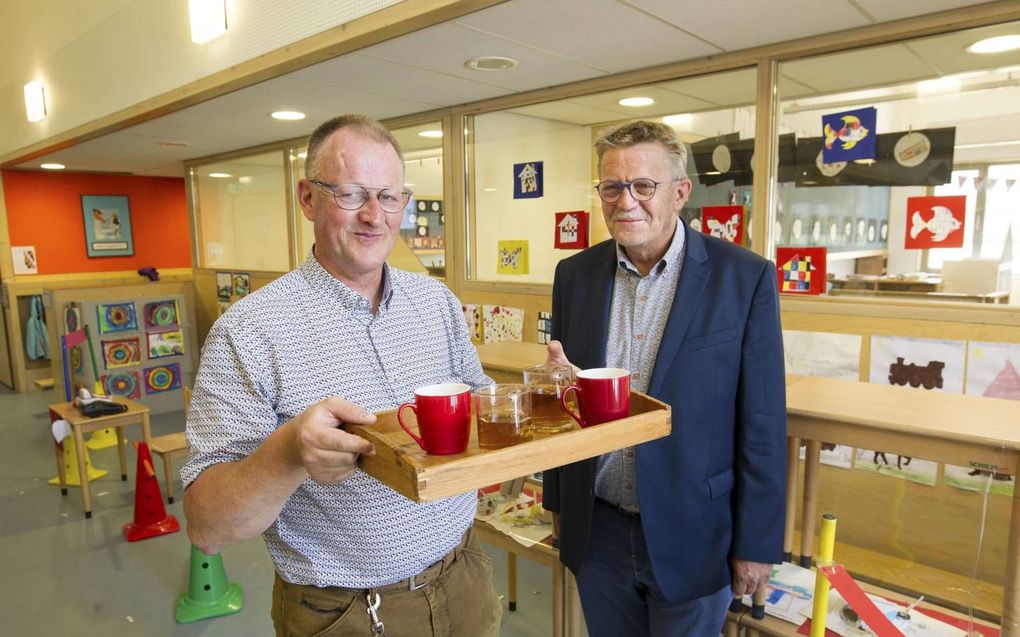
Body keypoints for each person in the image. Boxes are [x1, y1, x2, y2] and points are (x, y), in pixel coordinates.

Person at [182, 114, 501, 637]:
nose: (375, 216)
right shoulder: (249, 331)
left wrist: (544, 395)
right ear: (307, 198)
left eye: (390, 196)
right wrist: (287, 452)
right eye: (352, 194)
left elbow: (482, 417)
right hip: (347, 613)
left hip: (464, 578)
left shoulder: (436, 302)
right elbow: (207, 526)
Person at [543, 120, 787, 636]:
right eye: (611, 187)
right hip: (599, 527)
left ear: (680, 193)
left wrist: (756, 543)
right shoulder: (575, 276)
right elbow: (567, 399)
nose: (625, 201)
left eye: (643, 186)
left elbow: (762, 421)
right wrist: (559, 501)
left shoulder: (744, 278)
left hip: (695, 530)